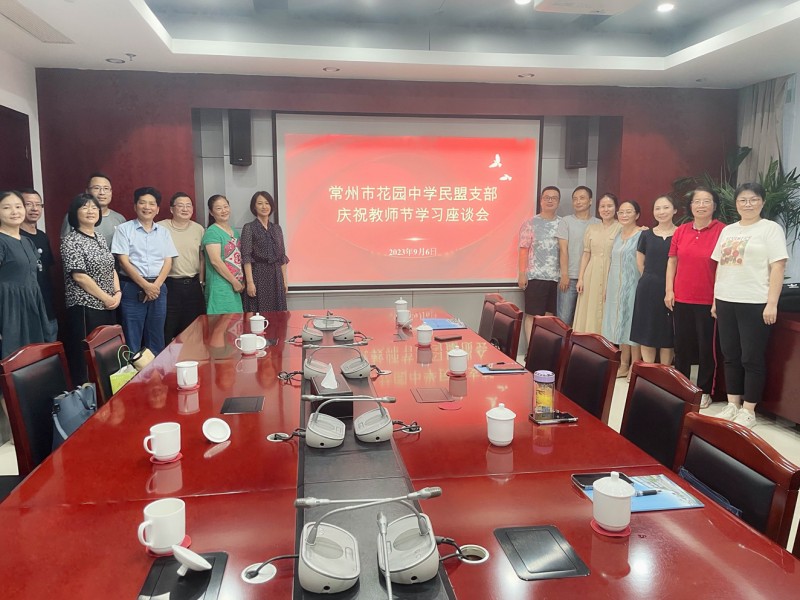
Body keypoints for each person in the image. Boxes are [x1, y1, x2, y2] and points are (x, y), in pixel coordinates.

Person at [711, 183, 787, 429]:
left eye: (753, 199)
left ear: (762, 202)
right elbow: (720, 266)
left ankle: (748, 410)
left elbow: (778, 267)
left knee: (751, 357)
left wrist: (772, 303)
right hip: (726, 299)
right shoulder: (728, 230)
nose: (748, 204)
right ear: (736, 204)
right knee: (730, 355)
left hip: (755, 301)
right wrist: (715, 299)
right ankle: (732, 404)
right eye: (742, 200)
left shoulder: (770, 229)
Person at [665, 186, 725, 409]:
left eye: (706, 201)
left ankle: (705, 391)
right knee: (681, 346)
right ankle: (681, 387)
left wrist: (717, 298)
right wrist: (669, 290)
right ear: (690, 206)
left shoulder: (723, 231)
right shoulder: (681, 230)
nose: (701, 205)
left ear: (714, 206)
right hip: (681, 297)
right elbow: (672, 261)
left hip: (708, 300)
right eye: (697, 201)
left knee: (706, 348)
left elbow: (724, 266)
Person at [60, 193, 121, 384]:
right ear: (75, 212)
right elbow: (79, 276)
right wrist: (106, 297)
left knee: (106, 354)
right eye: (84, 207)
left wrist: (117, 293)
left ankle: (106, 394)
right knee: (87, 358)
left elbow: (111, 267)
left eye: (94, 207)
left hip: (108, 305)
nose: (90, 211)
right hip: (86, 307)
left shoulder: (99, 237)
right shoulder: (71, 240)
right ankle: (88, 396)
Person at [111, 187, 178, 354]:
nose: (147, 207)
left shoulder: (163, 232)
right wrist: (145, 285)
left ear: (157, 209)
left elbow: (168, 261)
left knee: (156, 335)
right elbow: (123, 261)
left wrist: (155, 286)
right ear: (135, 206)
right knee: (132, 335)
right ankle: (134, 369)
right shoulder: (124, 229)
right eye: (142, 203)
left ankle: (156, 368)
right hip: (132, 288)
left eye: (151, 204)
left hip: (158, 287)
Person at [0, 191, 48, 359]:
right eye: (7, 207)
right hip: (9, 310)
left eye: (18, 206)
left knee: (33, 358)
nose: (14, 212)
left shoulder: (27, 241)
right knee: (12, 359)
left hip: (31, 305)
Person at [630, 195, 677, 365]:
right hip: (648, 288)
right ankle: (649, 372)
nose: (661, 212)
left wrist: (669, 285)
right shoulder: (646, 235)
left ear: (675, 210)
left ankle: (665, 372)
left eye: (666, 207)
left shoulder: (681, 233)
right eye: (657, 208)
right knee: (647, 332)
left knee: (667, 333)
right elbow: (640, 263)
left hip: (673, 289)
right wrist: (652, 279)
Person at [602, 200, 643, 378]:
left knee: (632, 324)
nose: (624, 215)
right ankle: (624, 364)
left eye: (629, 212)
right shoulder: (618, 234)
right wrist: (607, 286)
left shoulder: (642, 234)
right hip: (615, 286)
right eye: (621, 212)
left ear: (637, 215)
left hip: (634, 284)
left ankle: (635, 365)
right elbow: (611, 261)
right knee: (620, 324)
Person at [518, 186, 562, 342]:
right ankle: (531, 349)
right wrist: (522, 274)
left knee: (550, 316)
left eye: (554, 198)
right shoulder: (531, 223)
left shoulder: (563, 224)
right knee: (532, 315)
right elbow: (523, 249)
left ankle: (545, 348)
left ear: (558, 202)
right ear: (541, 200)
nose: (550, 200)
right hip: (535, 277)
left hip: (556, 278)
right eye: (546, 197)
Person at [160, 192, 206, 343]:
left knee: (193, 329)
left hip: (193, 285)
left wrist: (201, 282)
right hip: (170, 285)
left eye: (188, 206)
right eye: (180, 206)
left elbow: (202, 258)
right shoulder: (161, 227)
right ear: (172, 209)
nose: (185, 209)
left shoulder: (198, 229)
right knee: (168, 327)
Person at [573, 193, 621, 334]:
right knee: (590, 308)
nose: (606, 209)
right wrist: (581, 278)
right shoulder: (591, 228)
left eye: (609, 206)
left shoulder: (621, 228)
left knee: (608, 308)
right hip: (591, 273)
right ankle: (588, 341)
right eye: (602, 206)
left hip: (611, 272)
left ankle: (606, 343)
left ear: (616, 208)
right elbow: (586, 254)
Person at [555, 186, 599, 327]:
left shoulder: (598, 223)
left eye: (582, 198)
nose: (578, 202)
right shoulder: (566, 221)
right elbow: (563, 250)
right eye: (575, 199)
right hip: (570, 278)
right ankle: (562, 343)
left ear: (590, 201)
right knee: (564, 320)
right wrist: (564, 275)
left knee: (587, 320)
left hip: (591, 278)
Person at [19, 188, 57, 342]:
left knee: (50, 351)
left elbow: (46, 271)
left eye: (38, 204)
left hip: (47, 307)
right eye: (28, 204)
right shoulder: (12, 238)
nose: (34, 208)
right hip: (24, 310)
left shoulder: (42, 236)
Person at [241, 191, 289, 312]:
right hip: (258, 274)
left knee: (278, 314)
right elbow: (246, 257)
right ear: (254, 207)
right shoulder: (249, 227)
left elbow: (282, 257)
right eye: (260, 203)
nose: (264, 206)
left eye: (267, 203)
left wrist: (284, 280)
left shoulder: (277, 228)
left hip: (276, 275)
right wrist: (250, 282)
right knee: (259, 312)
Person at [202, 194, 244, 314]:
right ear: (211, 212)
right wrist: (234, 281)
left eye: (226, 207)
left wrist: (240, 281)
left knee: (236, 322)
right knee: (221, 323)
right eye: (219, 208)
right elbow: (215, 261)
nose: (224, 211)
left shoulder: (234, 231)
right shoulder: (212, 232)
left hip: (235, 287)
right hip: (220, 286)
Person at [61, 172, 126, 248]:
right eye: (96, 188)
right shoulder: (75, 216)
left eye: (106, 188)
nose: (102, 193)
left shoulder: (119, 219)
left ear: (111, 192)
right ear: (87, 191)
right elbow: (66, 246)